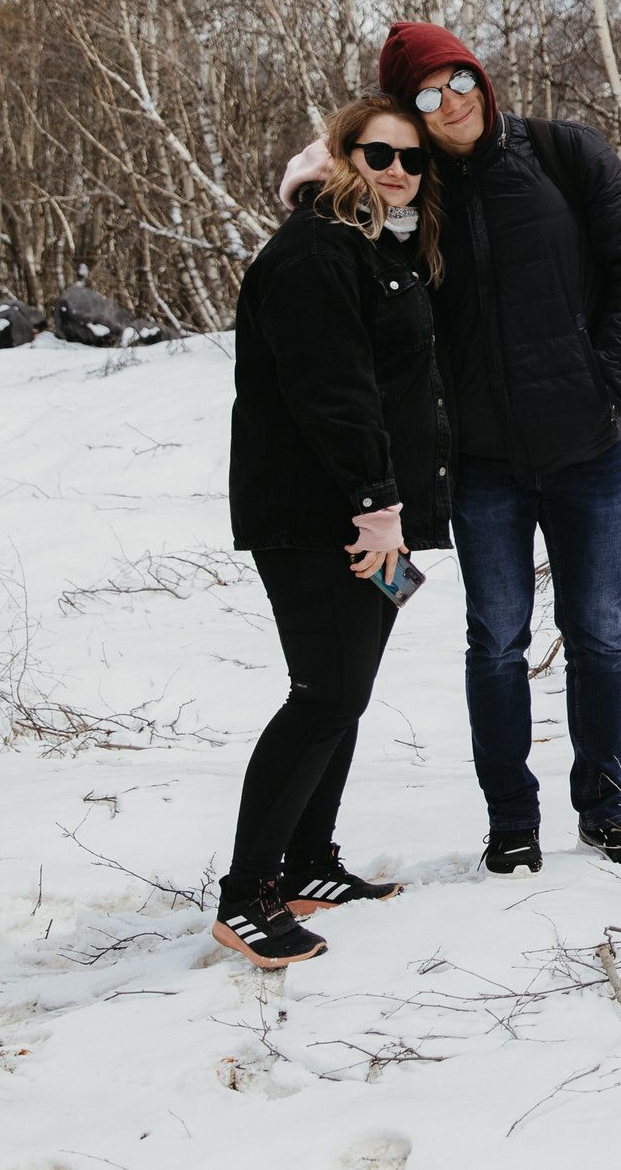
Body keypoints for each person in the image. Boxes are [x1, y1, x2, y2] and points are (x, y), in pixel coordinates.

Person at [283, 21, 621, 875]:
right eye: (425, 93)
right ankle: (510, 819)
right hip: (485, 466)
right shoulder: (407, 190)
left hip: (586, 449)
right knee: (496, 638)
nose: (450, 100)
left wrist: (606, 383)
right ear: (404, 111)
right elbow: (341, 259)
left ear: (482, 77)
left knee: (598, 632)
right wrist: (319, 177)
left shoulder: (564, 152)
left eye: (458, 78)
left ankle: (605, 807)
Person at [218, 94, 452, 968]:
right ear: (342, 154)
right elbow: (333, 389)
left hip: (362, 509)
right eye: (378, 153)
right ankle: (248, 893)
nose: (397, 170)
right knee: (322, 694)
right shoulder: (319, 246)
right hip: (320, 513)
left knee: (343, 695)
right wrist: (376, 503)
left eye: (412, 159)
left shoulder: (375, 248)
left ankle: (310, 862)